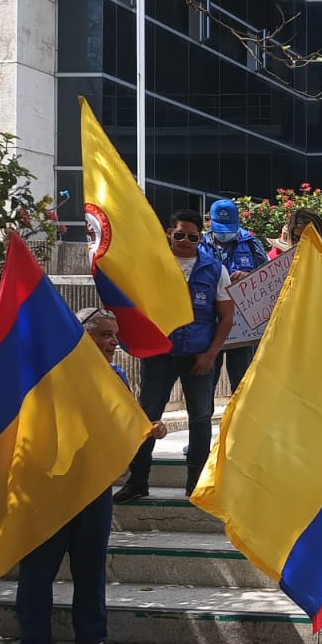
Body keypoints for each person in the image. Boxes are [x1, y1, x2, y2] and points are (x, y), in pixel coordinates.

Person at [16, 309, 167, 644]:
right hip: (50, 487)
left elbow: (123, 423)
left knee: (90, 568)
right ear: (81, 336)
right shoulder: (49, 373)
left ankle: (92, 638)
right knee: (38, 570)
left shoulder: (116, 376)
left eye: (115, 335)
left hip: (95, 487)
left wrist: (148, 430)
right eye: (103, 334)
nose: (113, 342)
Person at [114, 209, 234, 502]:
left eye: (192, 237)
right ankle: (137, 481)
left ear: (200, 238)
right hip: (159, 355)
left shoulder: (215, 269)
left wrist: (211, 354)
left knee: (201, 420)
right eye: (179, 234)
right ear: (169, 233)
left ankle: (196, 485)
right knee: (147, 417)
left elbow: (227, 317)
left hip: (198, 356)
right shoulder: (152, 266)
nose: (185, 241)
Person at [201, 198, 269, 392]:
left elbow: (266, 278)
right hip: (210, 324)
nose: (224, 234)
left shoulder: (251, 244)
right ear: (211, 223)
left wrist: (248, 277)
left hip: (242, 327)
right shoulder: (200, 244)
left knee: (243, 383)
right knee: (206, 382)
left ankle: (239, 422)